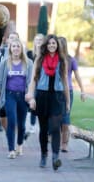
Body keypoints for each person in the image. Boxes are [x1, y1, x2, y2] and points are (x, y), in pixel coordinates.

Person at [25, 34, 70, 171]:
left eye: (54, 43)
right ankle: (44, 154)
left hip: (57, 97)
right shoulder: (39, 59)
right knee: (43, 129)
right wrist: (31, 97)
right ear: (46, 45)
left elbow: (65, 82)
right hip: (42, 97)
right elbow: (33, 80)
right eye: (49, 43)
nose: (52, 45)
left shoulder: (62, 61)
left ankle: (55, 157)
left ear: (57, 46)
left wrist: (67, 102)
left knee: (55, 128)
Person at [0, 38, 33, 159]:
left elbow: (31, 82)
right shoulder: (5, 63)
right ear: (10, 48)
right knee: (12, 121)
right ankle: (11, 149)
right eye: (14, 46)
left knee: (21, 124)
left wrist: (31, 98)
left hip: (23, 96)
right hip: (9, 96)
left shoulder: (28, 63)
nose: (16, 49)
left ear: (22, 49)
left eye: (18, 47)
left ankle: (20, 144)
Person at [58, 36, 86, 152]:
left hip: (67, 91)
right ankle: (58, 140)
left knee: (65, 116)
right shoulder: (53, 59)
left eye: (59, 44)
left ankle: (64, 143)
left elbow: (77, 76)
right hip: (54, 91)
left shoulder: (71, 60)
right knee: (56, 117)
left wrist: (83, 90)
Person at [0, 31, 20, 132]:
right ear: (8, 40)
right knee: (2, 117)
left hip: (17, 90)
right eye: (11, 38)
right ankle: (9, 132)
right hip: (3, 89)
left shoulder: (22, 54)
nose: (12, 40)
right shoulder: (1, 52)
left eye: (15, 38)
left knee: (15, 115)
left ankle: (16, 138)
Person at [26, 33, 44, 134]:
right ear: (34, 42)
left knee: (41, 105)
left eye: (40, 40)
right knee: (33, 103)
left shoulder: (45, 55)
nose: (38, 42)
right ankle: (32, 125)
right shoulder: (29, 54)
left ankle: (41, 125)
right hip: (32, 83)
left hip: (42, 83)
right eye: (37, 40)